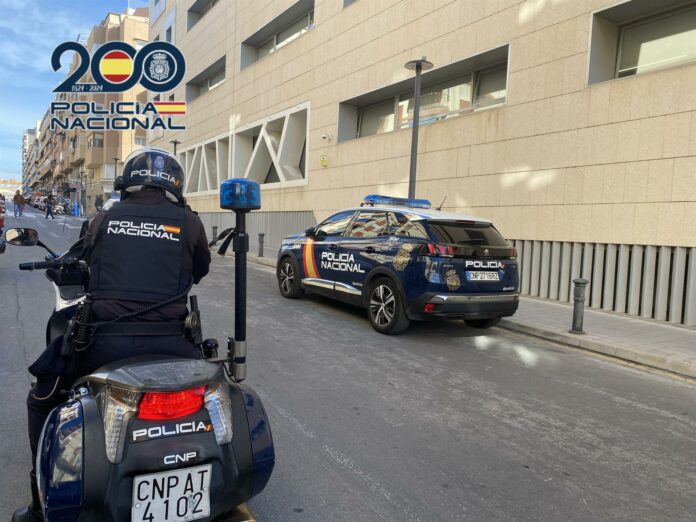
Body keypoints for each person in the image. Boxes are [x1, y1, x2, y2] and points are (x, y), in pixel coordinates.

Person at [13, 148, 211, 522]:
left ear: (128, 182)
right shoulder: (190, 222)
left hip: (102, 345)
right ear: (175, 185)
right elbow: (200, 270)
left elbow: (84, 257)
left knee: (42, 397)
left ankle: (40, 502)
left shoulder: (105, 218)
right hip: (174, 346)